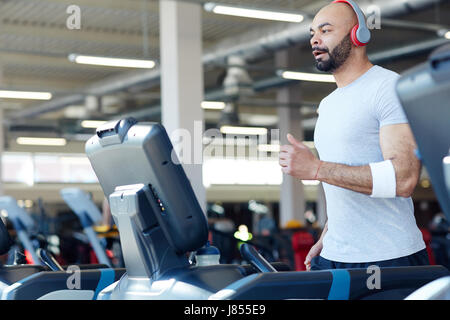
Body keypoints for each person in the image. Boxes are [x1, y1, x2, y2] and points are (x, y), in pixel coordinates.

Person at [278, 0, 428, 270]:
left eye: (325, 30)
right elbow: (343, 187)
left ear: (358, 34)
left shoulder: (387, 87)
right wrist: (328, 234)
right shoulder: (328, 104)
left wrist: (316, 168)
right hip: (336, 255)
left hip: (388, 257)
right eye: (312, 33)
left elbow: (404, 178)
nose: (315, 40)